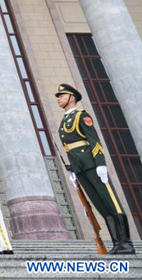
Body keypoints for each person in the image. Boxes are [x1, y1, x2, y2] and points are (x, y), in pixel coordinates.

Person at [57, 83, 135, 255]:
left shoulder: (82, 116)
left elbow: (94, 141)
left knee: (111, 201)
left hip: (92, 165)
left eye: (62, 96)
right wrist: (73, 169)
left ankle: (126, 243)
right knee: (100, 204)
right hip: (80, 168)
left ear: (72, 98)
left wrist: (100, 163)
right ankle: (117, 243)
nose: (59, 99)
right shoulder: (64, 121)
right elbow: (70, 148)